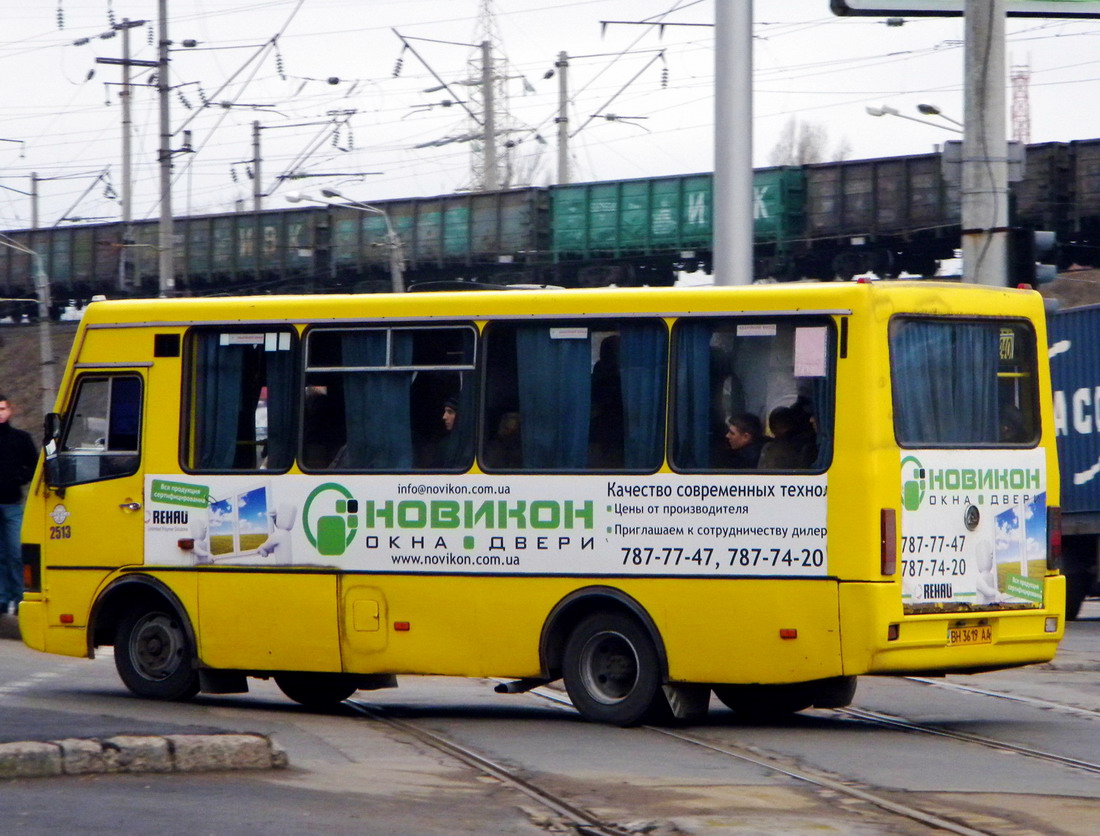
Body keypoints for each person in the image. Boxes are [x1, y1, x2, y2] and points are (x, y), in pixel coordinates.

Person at [0, 394, 38, 617]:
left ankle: (19, 596)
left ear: (10, 410)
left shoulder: (21, 438)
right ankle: (3, 599)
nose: (1, 413)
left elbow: (34, 465)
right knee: (0, 556)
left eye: (3, 408)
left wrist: (19, 477)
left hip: (13, 504)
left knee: (16, 552)